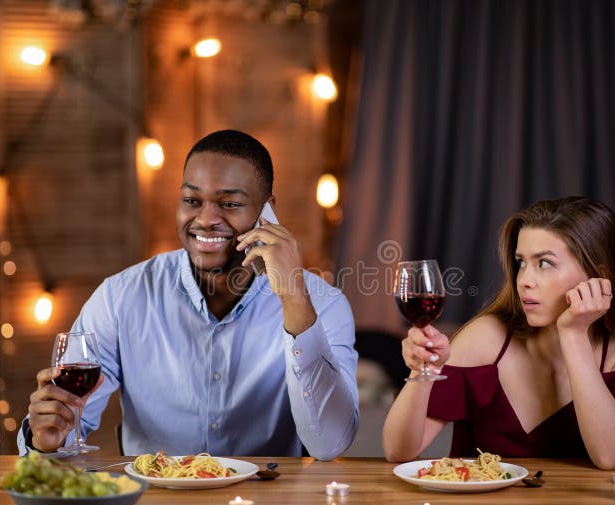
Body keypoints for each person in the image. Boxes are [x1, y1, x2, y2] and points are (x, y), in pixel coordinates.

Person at [18, 129, 359, 460]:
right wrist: (48, 439)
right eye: (192, 200)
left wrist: (293, 300)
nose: (207, 219)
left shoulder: (323, 304)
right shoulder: (119, 298)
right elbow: (66, 429)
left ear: (266, 211)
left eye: (230, 203)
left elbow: (329, 444)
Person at [382, 196, 615, 470]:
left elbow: (612, 457)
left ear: (597, 276)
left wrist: (573, 334)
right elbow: (397, 450)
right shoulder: (488, 337)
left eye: (544, 263)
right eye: (521, 262)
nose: (524, 281)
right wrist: (422, 370)